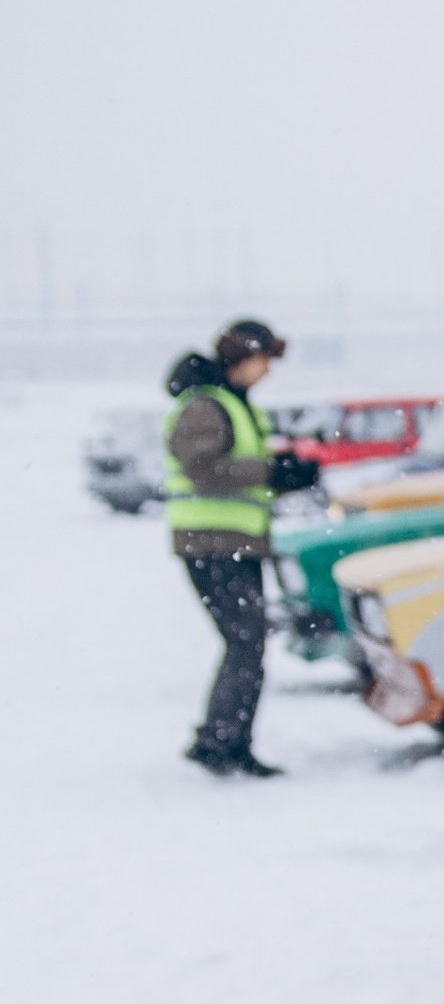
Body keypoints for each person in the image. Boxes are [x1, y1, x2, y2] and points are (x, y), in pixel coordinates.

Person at [162, 318, 319, 776]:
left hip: (235, 543)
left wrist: (282, 471)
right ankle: (220, 743)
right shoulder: (206, 406)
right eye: (265, 360)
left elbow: (238, 470)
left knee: (246, 642)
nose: (268, 371)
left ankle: (224, 740)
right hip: (212, 544)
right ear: (243, 358)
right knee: (246, 641)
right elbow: (205, 471)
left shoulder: (231, 404)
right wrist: (270, 472)